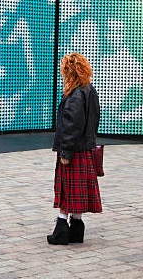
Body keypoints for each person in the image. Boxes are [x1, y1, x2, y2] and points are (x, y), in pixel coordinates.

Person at [48, 53, 101, 245]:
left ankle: (61, 229)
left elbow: (72, 125)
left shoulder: (74, 94)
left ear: (69, 71)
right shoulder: (89, 90)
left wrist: (65, 153)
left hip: (72, 151)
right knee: (77, 192)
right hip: (84, 149)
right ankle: (76, 228)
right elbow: (93, 121)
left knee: (66, 190)